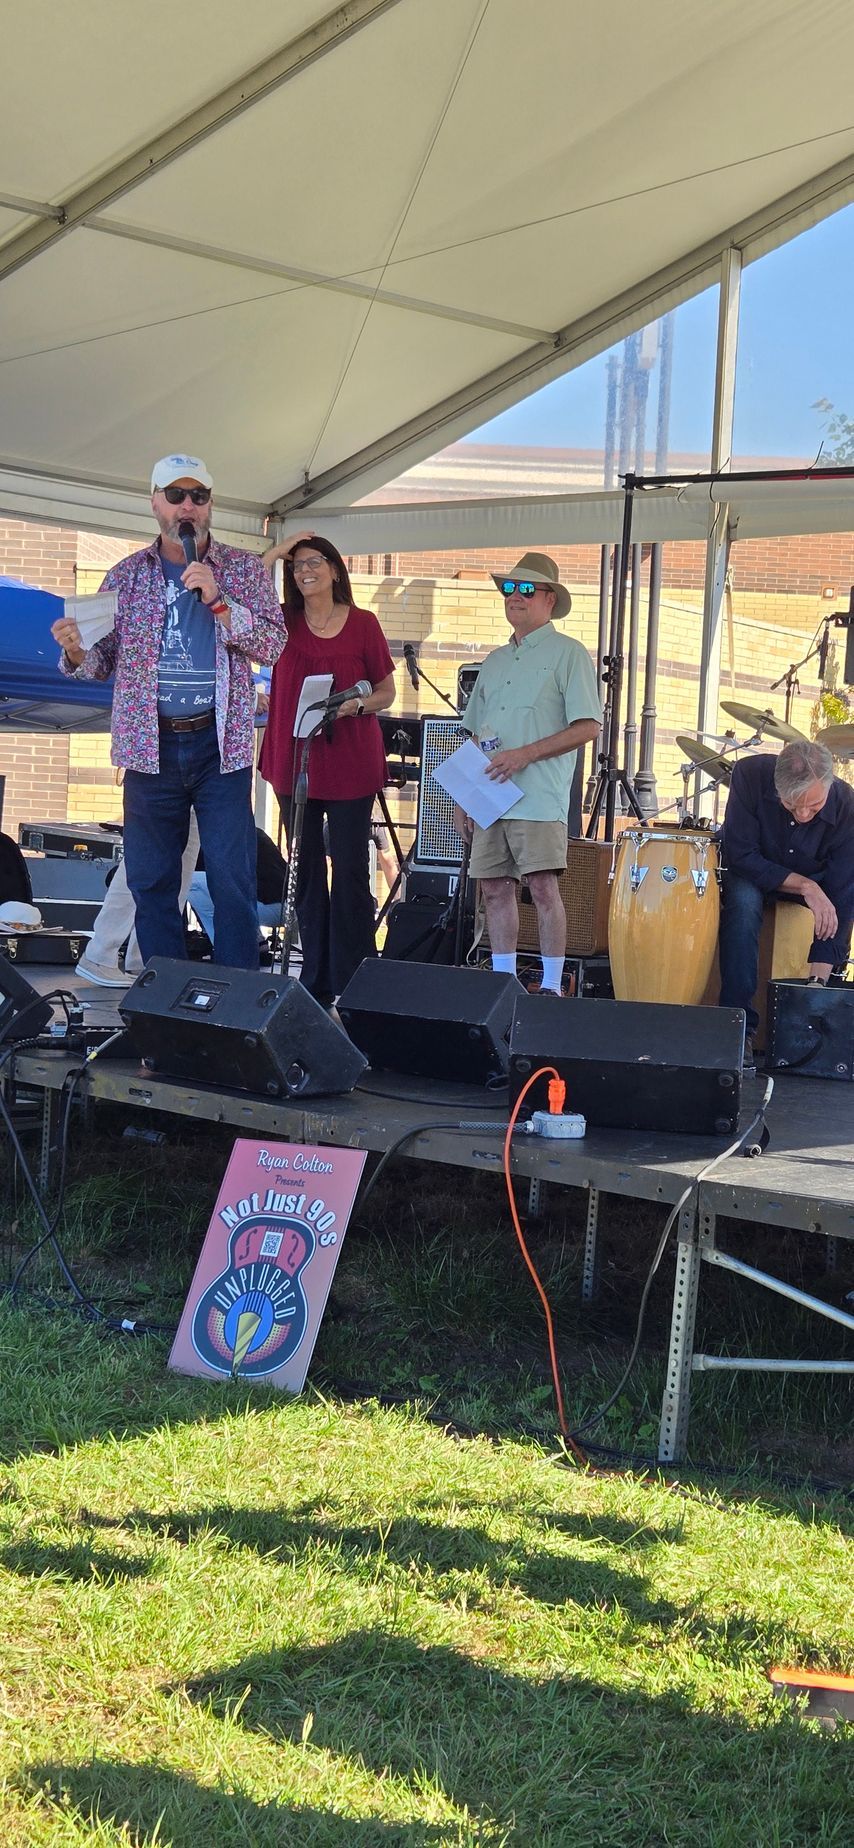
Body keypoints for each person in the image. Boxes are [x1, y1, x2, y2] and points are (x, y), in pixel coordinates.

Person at [50, 455, 286, 969]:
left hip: (220, 745)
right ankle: (163, 1001)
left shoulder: (241, 569)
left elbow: (273, 645)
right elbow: (100, 661)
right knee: (151, 879)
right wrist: (73, 652)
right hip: (148, 744)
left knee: (232, 876)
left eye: (198, 496)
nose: (187, 506)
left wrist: (221, 601)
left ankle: (236, 1006)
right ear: (155, 502)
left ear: (210, 505)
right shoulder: (126, 574)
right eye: (175, 495)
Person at [259, 531, 396, 1004]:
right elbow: (242, 597)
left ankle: (353, 978)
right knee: (307, 870)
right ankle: (313, 979)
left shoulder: (363, 623)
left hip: (349, 760)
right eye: (296, 566)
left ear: (335, 568)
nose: (304, 571)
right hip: (293, 758)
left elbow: (385, 692)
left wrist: (356, 707)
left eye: (313, 562)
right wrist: (275, 552)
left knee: (351, 869)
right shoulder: (281, 622)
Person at [456, 552, 601, 995]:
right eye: (508, 589)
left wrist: (525, 755)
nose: (513, 597)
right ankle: (502, 987)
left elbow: (590, 726)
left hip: (538, 794)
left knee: (541, 887)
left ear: (549, 599)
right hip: (490, 795)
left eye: (525, 589)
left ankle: (553, 987)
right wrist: (464, 797)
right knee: (494, 889)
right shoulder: (495, 660)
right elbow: (475, 736)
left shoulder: (570, 654)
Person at [719, 739, 854, 1034]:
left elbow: (842, 892)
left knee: (842, 901)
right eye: (791, 805)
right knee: (743, 904)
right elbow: (740, 856)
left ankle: (817, 1015)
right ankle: (736, 1027)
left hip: (815, 880)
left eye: (814, 806)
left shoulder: (847, 805)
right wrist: (806, 887)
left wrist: (816, 983)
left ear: (829, 788)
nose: (803, 814)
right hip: (751, 871)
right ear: (777, 787)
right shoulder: (749, 773)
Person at [189, 826, 289, 945]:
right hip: (289, 908)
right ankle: (256, 941)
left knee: (190, 881)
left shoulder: (214, 838)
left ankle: (224, 945)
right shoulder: (252, 831)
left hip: (268, 906)